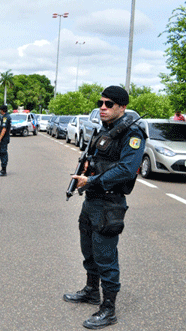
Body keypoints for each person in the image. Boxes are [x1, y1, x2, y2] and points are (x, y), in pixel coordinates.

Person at [64, 86, 145, 329]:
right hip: (92, 200)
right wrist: (89, 170)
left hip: (110, 203)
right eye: (101, 103)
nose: (103, 107)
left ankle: (108, 309)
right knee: (88, 248)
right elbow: (100, 161)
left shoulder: (133, 134)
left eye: (109, 104)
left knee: (106, 257)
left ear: (122, 107)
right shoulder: (104, 131)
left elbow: (127, 170)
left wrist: (92, 180)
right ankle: (91, 291)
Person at [0, 105, 11, 176]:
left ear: (2, 110)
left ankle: (3, 171)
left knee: (3, 153)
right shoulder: (7, 116)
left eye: (0, 110)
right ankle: (3, 169)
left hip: (4, 139)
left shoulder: (5, 117)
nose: (0, 111)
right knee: (3, 153)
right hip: (5, 138)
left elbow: (4, 129)